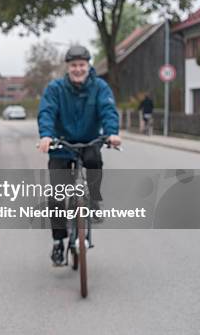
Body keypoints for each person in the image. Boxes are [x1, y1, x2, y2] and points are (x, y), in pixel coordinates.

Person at [37, 45, 120, 266]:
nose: (78, 69)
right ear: (68, 67)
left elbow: (108, 110)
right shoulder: (55, 88)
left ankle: (93, 199)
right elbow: (46, 112)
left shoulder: (100, 87)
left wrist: (112, 133)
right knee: (56, 196)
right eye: (73, 65)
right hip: (61, 143)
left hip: (89, 141)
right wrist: (46, 136)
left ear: (88, 65)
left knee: (94, 161)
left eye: (82, 65)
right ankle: (58, 243)